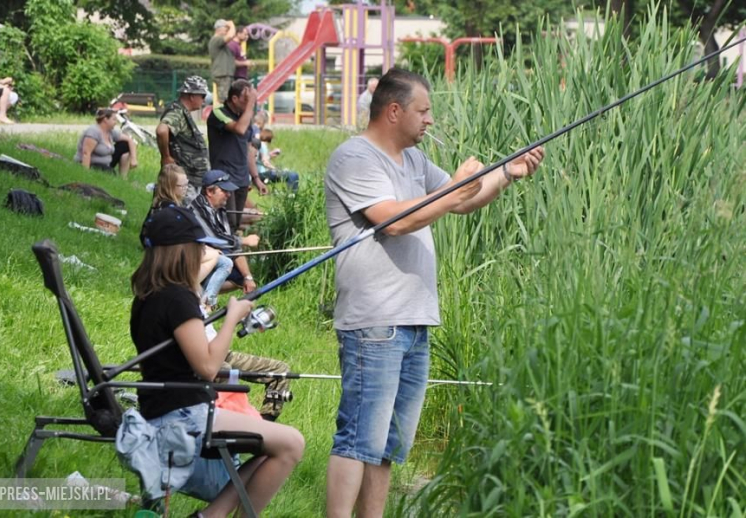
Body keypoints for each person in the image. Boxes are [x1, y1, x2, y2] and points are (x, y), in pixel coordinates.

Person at [323, 67, 546, 518]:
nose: (429, 120)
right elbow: (396, 219)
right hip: (374, 321)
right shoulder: (355, 158)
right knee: (358, 438)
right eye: (423, 111)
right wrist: (453, 188)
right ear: (394, 110)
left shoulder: (415, 162)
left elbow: (461, 200)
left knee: (388, 445)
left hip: (414, 320)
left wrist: (507, 174)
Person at [130, 205, 304, 515]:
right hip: (183, 415)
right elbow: (209, 368)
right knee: (292, 443)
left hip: (167, 408)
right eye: (199, 247)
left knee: (272, 445)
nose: (204, 254)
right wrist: (232, 318)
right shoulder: (178, 299)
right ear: (182, 252)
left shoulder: (148, 294)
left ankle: (211, 515)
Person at [190, 170, 292, 421]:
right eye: (223, 190)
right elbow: (221, 245)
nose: (228, 195)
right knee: (226, 374)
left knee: (282, 371)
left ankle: (266, 423)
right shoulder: (177, 294)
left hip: (217, 350)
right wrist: (243, 241)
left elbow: (228, 247)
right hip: (210, 362)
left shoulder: (220, 214)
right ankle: (244, 424)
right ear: (209, 190)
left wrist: (247, 279)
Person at [139, 164, 232, 310]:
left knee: (216, 256)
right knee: (224, 262)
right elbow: (181, 241)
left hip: (166, 252)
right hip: (172, 255)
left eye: (186, 184)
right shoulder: (171, 212)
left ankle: (200, 296)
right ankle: (203, 300)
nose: (185, 189)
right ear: (171, 187)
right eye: (182, 186)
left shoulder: (159, 203)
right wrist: (204, 249)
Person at [207, 79, 268, 231]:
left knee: (235, 223)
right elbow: (239, 129)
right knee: (227, 222)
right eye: (245, 99)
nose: (249, 103)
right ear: (234, 99)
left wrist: (256, 179)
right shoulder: (218, 113)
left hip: (241, 178)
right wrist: (250, 105)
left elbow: (248, 150)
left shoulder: (244, 117)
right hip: (224, 178)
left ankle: (233, 252)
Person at [156, 76, 211, 205]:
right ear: (192, 96)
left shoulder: (182, 112)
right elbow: (161, 130)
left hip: (191, 179)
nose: (204, 100)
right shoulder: (177, 112)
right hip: (185, 181)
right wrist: (166, 157)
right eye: (202, 96)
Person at [74, 108, 138, 178]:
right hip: (92, 163)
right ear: (105, 120)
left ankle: (123, 178)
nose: (116, 122)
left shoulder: (110, 132)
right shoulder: (93, 132)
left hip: (106, 163)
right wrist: (85, 174)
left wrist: (133, 159)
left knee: (125, 145)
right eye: (114, 119)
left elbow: (130, 140)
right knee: (110, 173)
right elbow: (86, 153)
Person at [209, 19, 237, 104]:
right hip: (222, 75)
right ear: (218, 29)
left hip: (224, 75)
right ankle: (222, 116)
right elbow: (230, 36)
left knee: (227, 99)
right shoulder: (216, 40)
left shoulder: (219, 42)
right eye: (226, 28)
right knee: (224, 100)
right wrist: (232, 25)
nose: (227, 30)